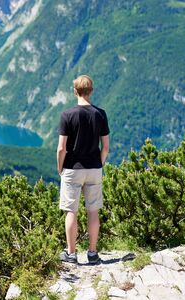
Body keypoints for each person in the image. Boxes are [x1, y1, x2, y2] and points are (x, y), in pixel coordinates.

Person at [56, 75, 109, 264]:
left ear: (74, 91)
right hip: (94, 167)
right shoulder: (100, 114)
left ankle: (71, 254)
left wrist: (60, 167)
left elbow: (62, 148)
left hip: (72, 168)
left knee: (71, 211)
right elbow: (106, 147)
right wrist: (99, 164)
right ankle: (93, 253)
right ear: (91, 91)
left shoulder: (67, 115)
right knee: (93, 211)